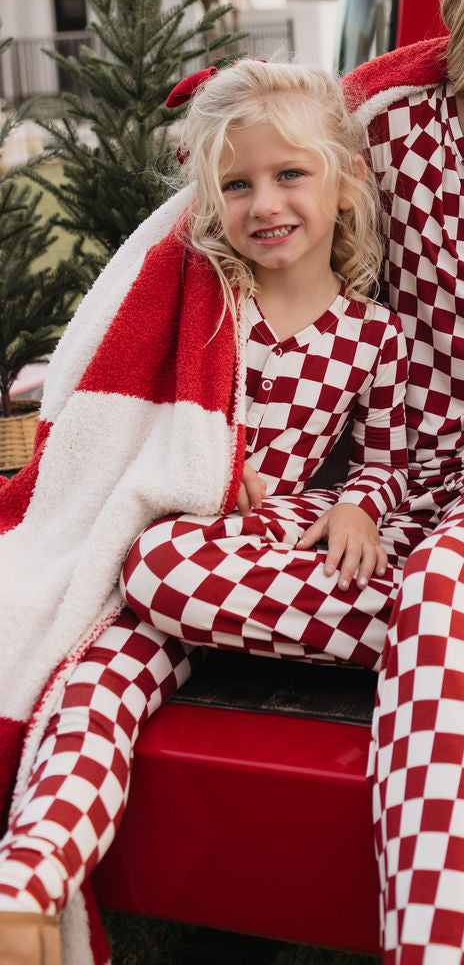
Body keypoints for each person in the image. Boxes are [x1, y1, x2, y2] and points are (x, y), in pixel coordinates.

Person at [2, 0, 464, 965]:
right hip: (375, 492)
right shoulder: (386, 130)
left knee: (447, 596)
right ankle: (30, 877)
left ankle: (439, 944)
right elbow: (260, 183)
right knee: (150, 583)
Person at [0, 59, 410, 965]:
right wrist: (209, 465)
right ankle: (26, 887)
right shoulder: (209, 300)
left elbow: (384, 457)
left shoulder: (373, 334)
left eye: (290, 174)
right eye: (237, 184)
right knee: (92, 684)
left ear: (344, 185)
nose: (265, 202)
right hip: (180, 546)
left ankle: (424, 629)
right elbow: (146, 407)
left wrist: (359, 507)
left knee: (166, 572)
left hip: (255, 557)